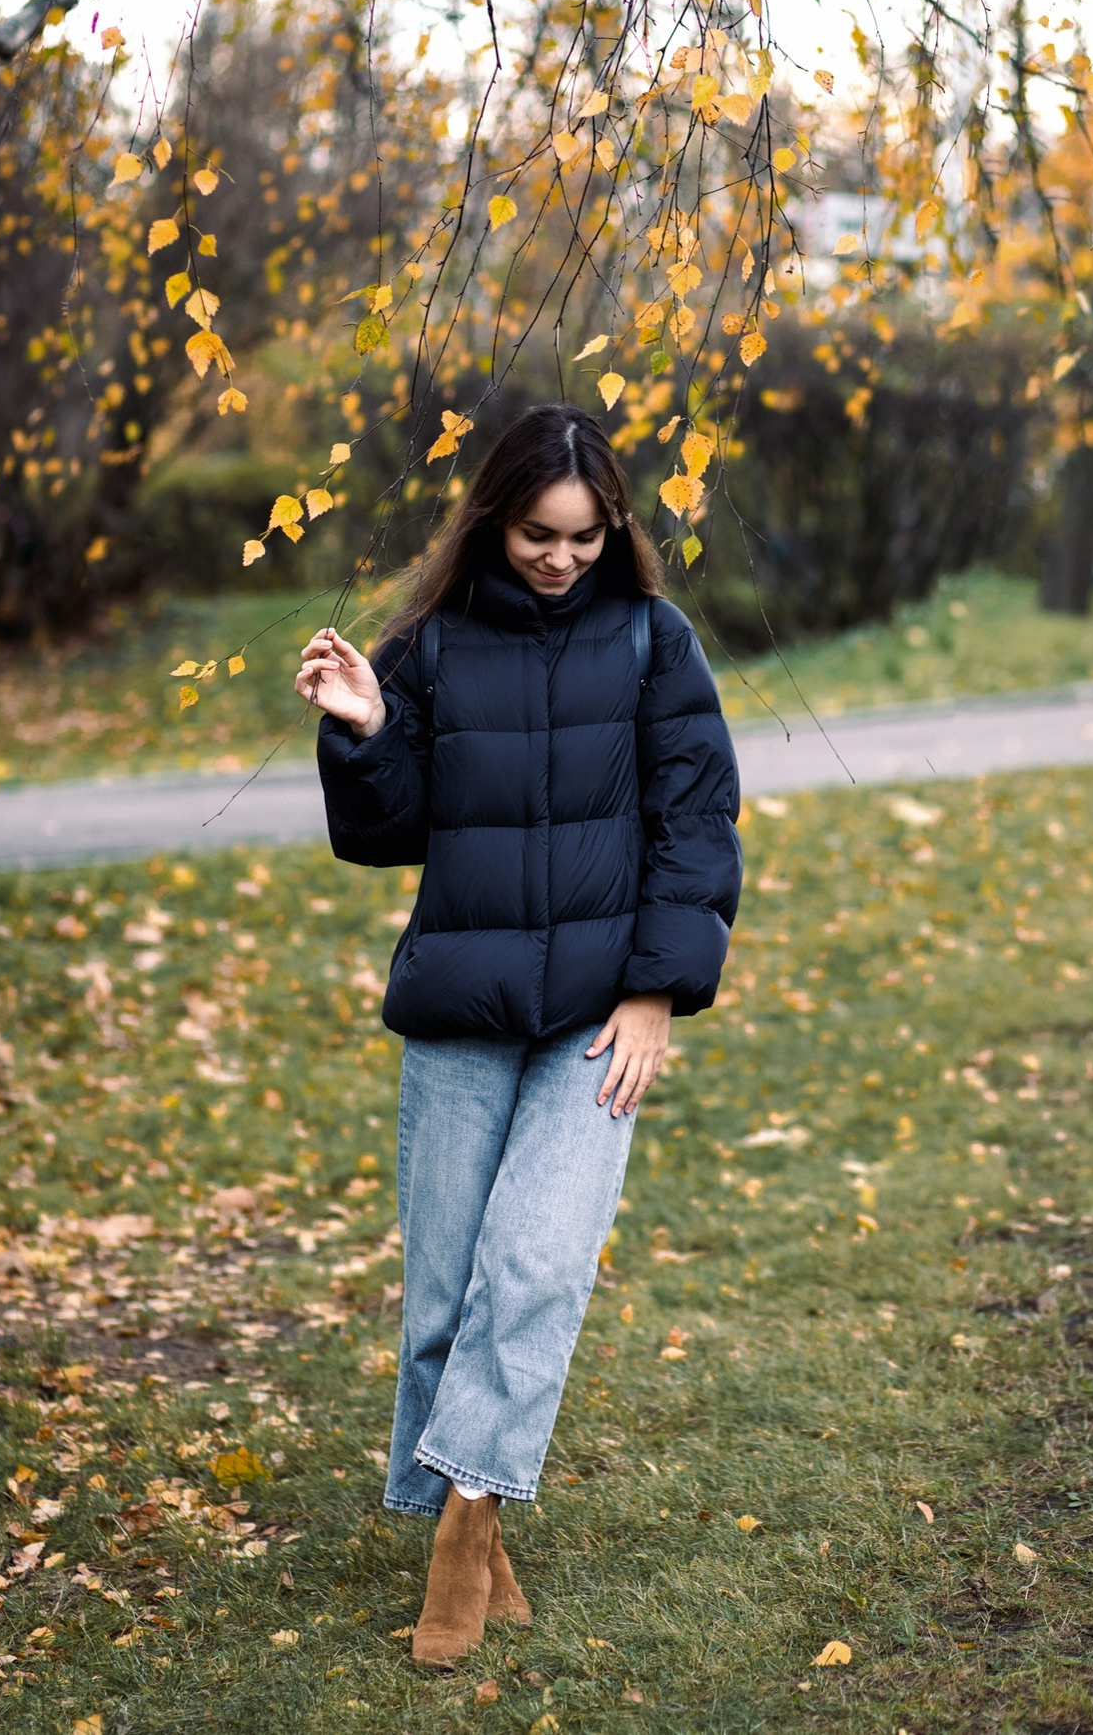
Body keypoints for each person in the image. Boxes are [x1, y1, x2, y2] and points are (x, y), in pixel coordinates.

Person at [294, 402, 742, 1667]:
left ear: (614, 531)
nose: (561, 558)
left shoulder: (657, 642)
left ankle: (460, 1530)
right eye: (542, 534)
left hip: (599, 1017)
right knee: (446, 1293)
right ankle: (479, 1516)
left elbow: (697, 824)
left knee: (537, 1266)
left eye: (587, 538)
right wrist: (369, 728)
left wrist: (656, 989)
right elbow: (386, 831)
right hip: (459, 1013)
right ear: (496, 518)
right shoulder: (430, 644)